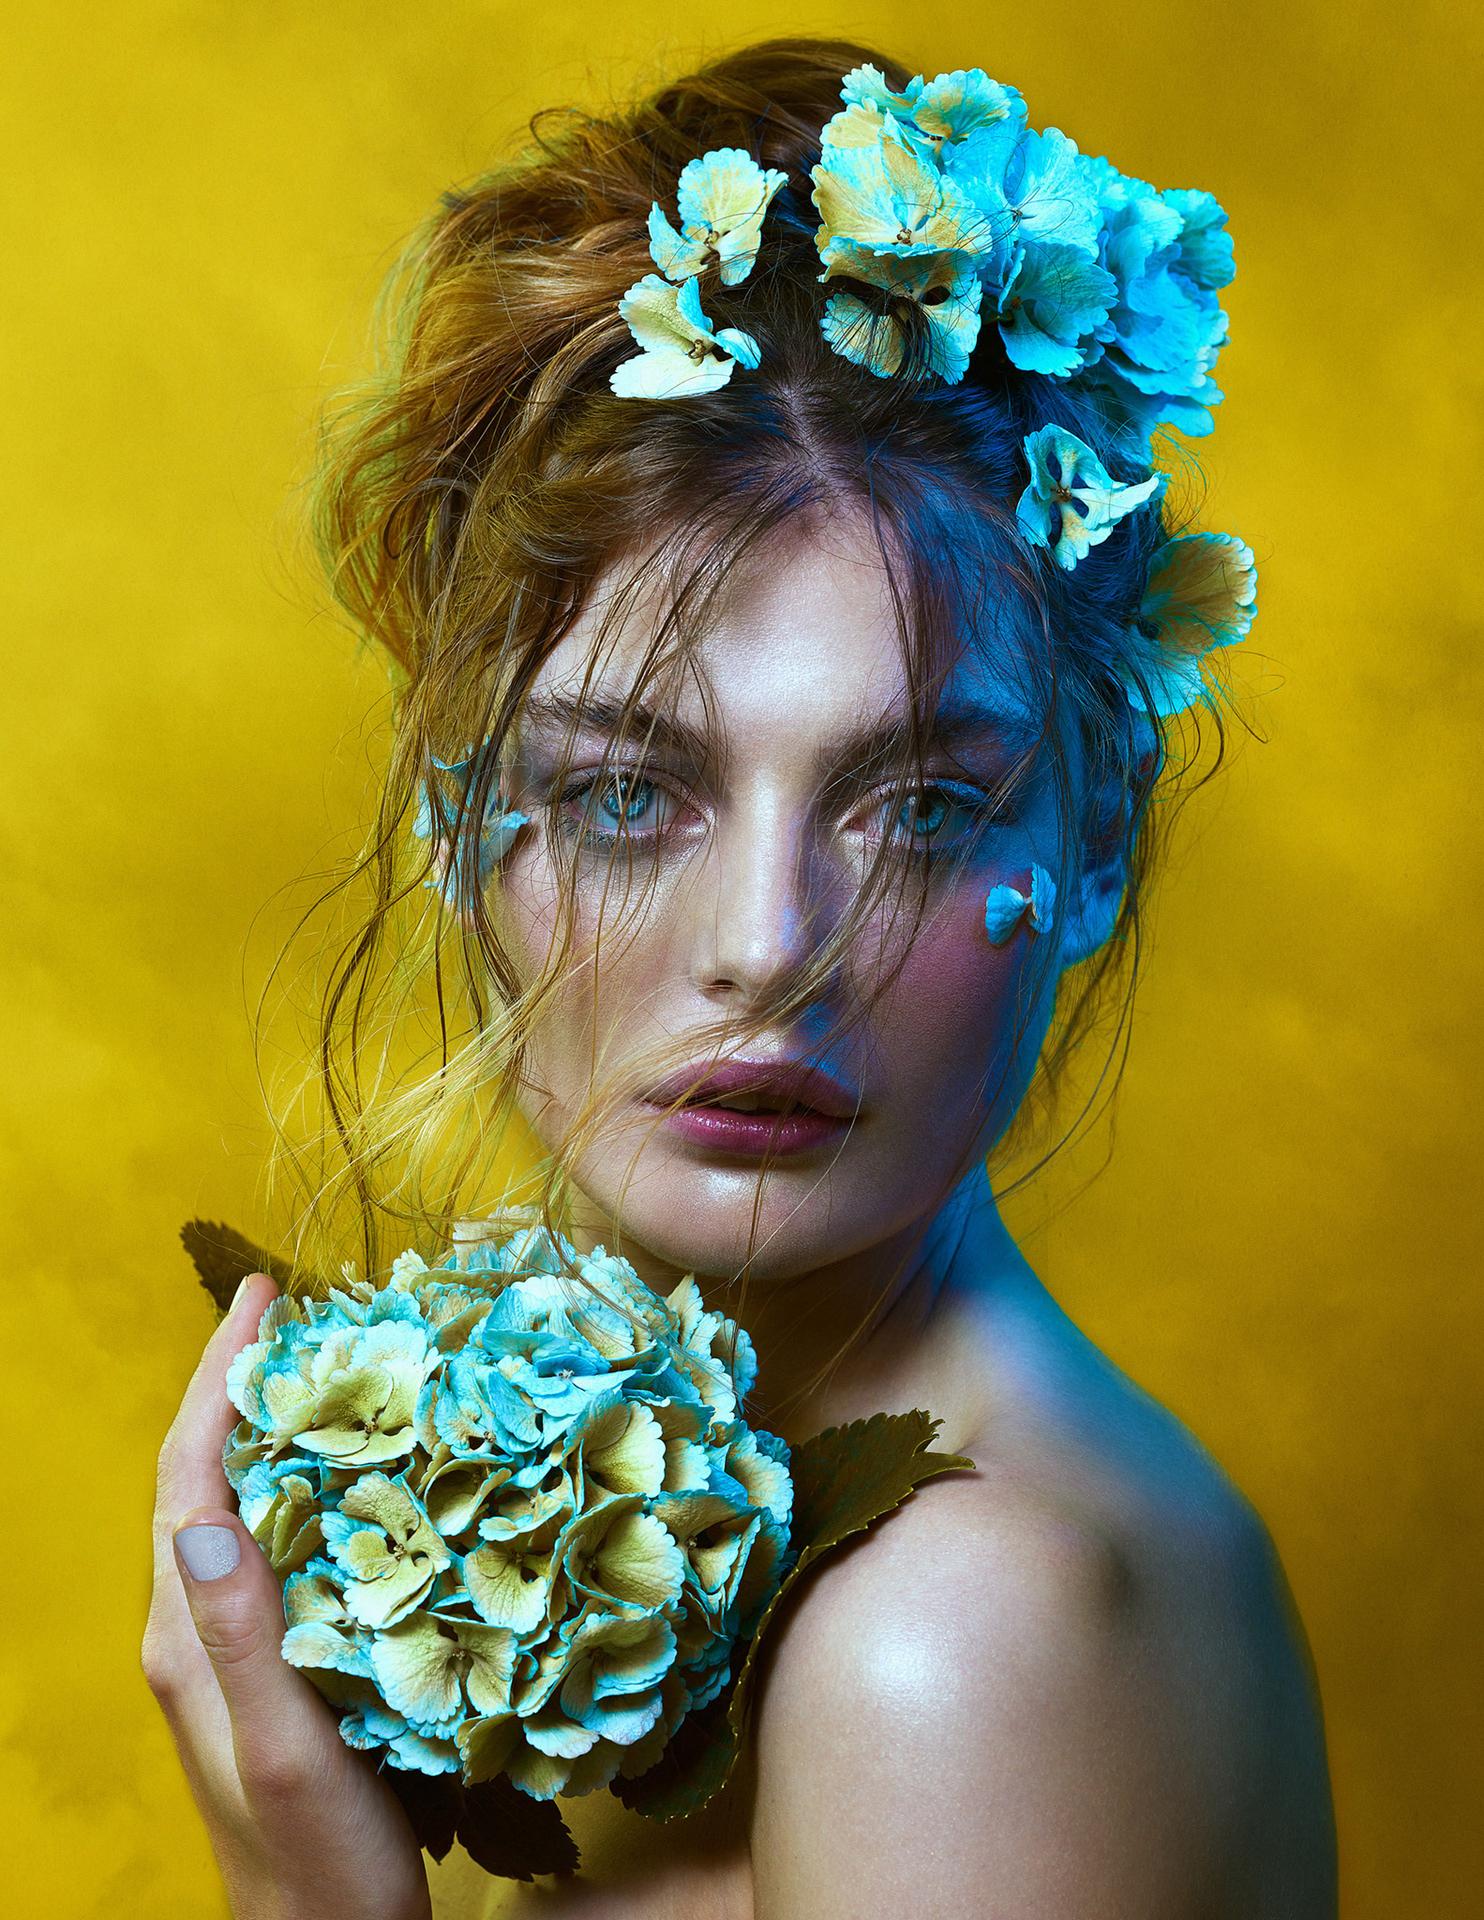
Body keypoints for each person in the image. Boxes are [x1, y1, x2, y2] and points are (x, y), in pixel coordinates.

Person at [143, 35, 1339, 1919]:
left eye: (921, 807)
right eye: (629, 794)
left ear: (1095, 842)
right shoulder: (844, 1548)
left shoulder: (949, 1649)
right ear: (458, 823)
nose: (771, 944)